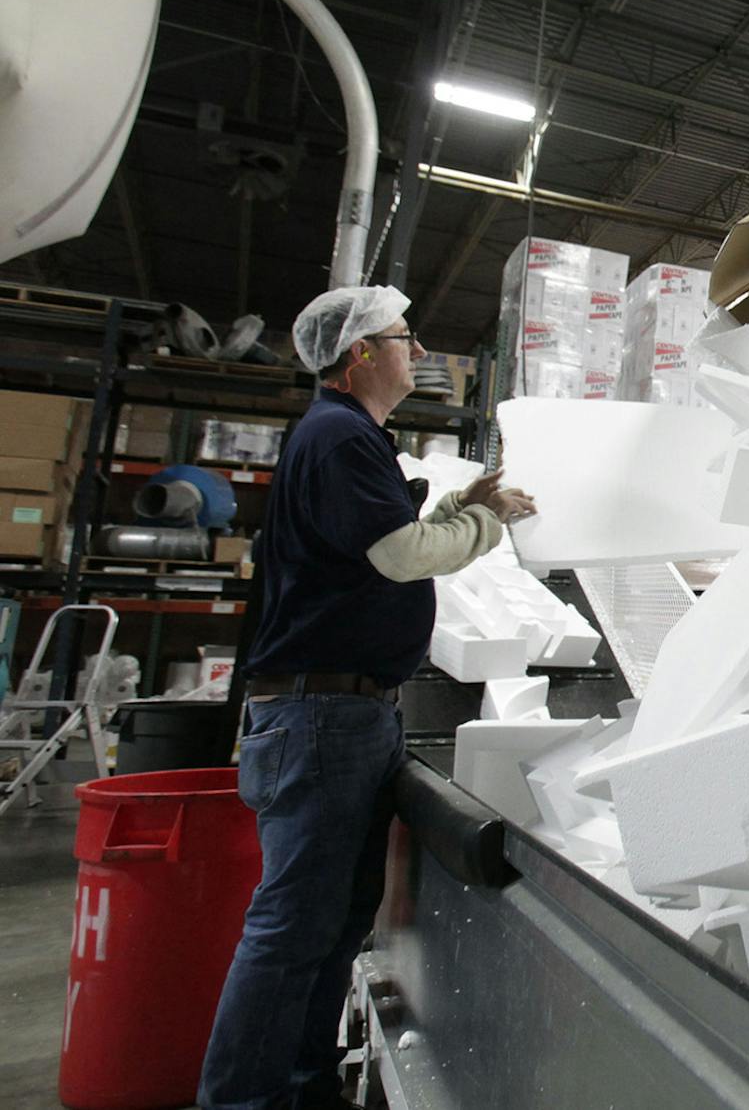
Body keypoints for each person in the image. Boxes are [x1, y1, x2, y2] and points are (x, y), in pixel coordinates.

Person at [198, 286, 535, 1110]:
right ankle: (243, 1099)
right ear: (359, 356)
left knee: (334, 923)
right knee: (292, 927)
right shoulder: (339, 434)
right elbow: (396, 554)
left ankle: (305, 1086)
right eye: (403, 337)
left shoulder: (354, 439)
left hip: (348, 714)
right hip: (322, 717)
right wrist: (491, 527)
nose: (417, 351)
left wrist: (464, 503)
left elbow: (381, 534)